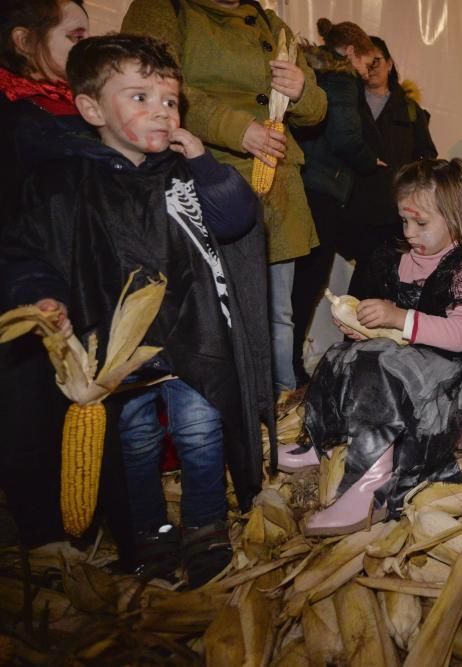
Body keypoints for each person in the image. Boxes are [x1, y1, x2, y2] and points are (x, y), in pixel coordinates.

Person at [0, 34, 270, 586]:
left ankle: (204, 525)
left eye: (169, 101)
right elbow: (31, 249)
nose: (160, 112)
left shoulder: (180, 171)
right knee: (135, 439)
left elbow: (236, 218)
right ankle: (149, 531)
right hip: (114, 353)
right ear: (92, 108)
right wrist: (42, 296)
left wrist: (204, 162)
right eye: (140, 98)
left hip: (193, 338)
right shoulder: (65, 180)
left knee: (200, 430)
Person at [121, 0, 328, 394]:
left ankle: (278, 415)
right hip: (207, 179)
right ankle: (226, 423)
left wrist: (302, 91)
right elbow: (152, 86)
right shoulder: (165, 9)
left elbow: (316, 110)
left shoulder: (273, 25)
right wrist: (237, 128)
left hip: (277, 191)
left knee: (277, 317)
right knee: (212, 317)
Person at [278, 158, 462, 536]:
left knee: (382, 362)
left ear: (455, 218)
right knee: (341, 355)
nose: (411, 232)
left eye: (422, 223)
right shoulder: (392, 259)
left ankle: (370, 481)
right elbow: (379, 328)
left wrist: (397, 318)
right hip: (397, 357)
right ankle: (320, 441)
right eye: (405, 222)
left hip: (442, 372)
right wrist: (361, 326)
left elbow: (461, 334)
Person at [0, 0, 90, 547]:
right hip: (27, 287)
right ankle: (42, 536)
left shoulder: (85, 105)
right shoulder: (13, 115)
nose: (87, 44)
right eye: (74, 34)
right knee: (29, 411)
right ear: (25, 40)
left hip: (88, 283)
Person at [291, 24, 382, 385]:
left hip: (311, 188)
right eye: (367, 60)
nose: (368, 70)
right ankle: (293, 368)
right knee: (309, 283)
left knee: (302, 284)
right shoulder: (342, 79)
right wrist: (369, 161)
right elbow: (345, 136)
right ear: (350, 52)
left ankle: (291, 362)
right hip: (323, 191)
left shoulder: (318, 74)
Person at [342, 35, 438, 294]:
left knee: (385, 278)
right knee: (366, 275)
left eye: (378, 60)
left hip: (395, 214)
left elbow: (427, 157)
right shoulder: (347, 104)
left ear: (390, 64)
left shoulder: (409, 110)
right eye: (367, 61)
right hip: (354, 210)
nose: (372, 67)